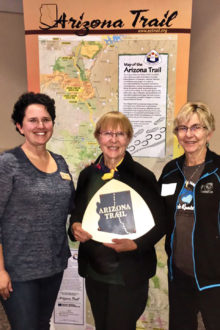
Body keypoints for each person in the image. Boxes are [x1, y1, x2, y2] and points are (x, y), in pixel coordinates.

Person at [68, 111, 166, 330]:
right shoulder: (87, 176)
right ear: (98, 137)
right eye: (107, 133)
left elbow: (160, 222)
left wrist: (136, 244)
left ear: (129, 138)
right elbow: (77, 213)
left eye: (120, 134)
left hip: (129, 272)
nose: (113, 139)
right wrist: (74, 226)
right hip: (95, 271)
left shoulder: (143, 177)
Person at [0, 92, 75, 330]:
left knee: (42, 325)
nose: (40, 126)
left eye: (46, 119)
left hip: (53, 265)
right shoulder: (8, 163)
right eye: (32, 120)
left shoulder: (61, 162)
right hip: (19, 271)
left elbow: (71, 205)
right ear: (20, 126)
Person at [159, 102, 220, 330]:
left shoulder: (218, 171)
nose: (189, 134)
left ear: (208, 131)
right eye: (183, 128)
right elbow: (158, 216)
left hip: (214, 276)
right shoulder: (170, 171)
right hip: (180, 274)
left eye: (196, 127)